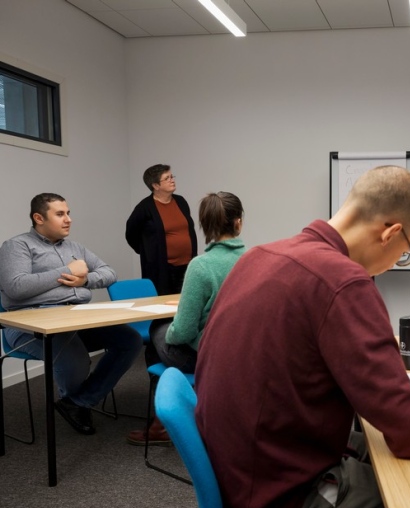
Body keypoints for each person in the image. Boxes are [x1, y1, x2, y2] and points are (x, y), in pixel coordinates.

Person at [195, 166, 410, 508]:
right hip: (280, 504)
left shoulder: (259, 255)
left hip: (244, 477)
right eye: (406, 252)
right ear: (391, 233)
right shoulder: (345, 282)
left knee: (374, 447)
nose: (398, 262)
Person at [0, 193, 143, 436]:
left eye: (68, 213)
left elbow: (109, 273)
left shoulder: (75, 247)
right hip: (29, 324)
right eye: (60, 214)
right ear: (39, 218)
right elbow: (16, 288)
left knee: (129, 340)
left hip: (75, 317)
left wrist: (85, 279)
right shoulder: (17, 246)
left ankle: (77, 403)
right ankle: (76, 402)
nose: (69, 219)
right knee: (75, 358)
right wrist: (67, 271)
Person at [126, 191, 246, 446]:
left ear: (202, 225)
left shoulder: (200, 266)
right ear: (239, 222)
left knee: (160, 331)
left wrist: (170, 331)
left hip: (208, 356)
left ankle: (162, 422)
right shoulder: (254, 260)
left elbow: (183, 332)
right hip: (244, 354)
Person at [125, 164, 197, 296]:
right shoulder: (144, 207)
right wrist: (148, 252)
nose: (172, 180)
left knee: (188, 304)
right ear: (156, 185)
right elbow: (131, 233)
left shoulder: (180, 201)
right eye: (167, 178)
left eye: (172, 176)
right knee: (163, 308)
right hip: (162, 269)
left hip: (188, 266)